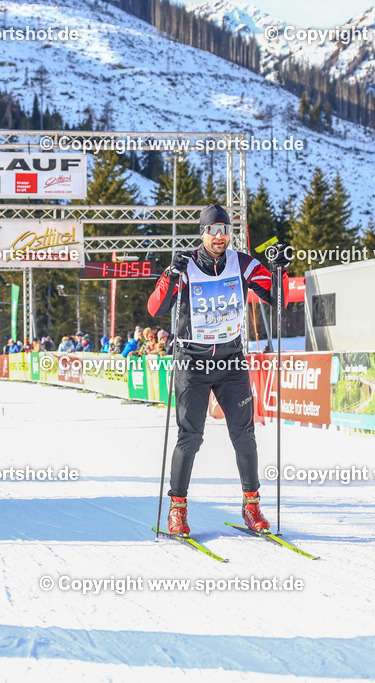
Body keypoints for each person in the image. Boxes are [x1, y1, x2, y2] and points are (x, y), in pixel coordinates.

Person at [147, 204, 275, 535]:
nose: (220, 237)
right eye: (213, 231)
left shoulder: (242, 263)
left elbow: (279, 297)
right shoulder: (186, 265)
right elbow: (156, 308)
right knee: (190, 436)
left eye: (225, 230)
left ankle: (252, 506)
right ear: (202, 233)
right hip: (192, 361)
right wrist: (170, 276)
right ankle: (177, 510)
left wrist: (280, 270)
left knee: (244, 435)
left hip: (231, 361)